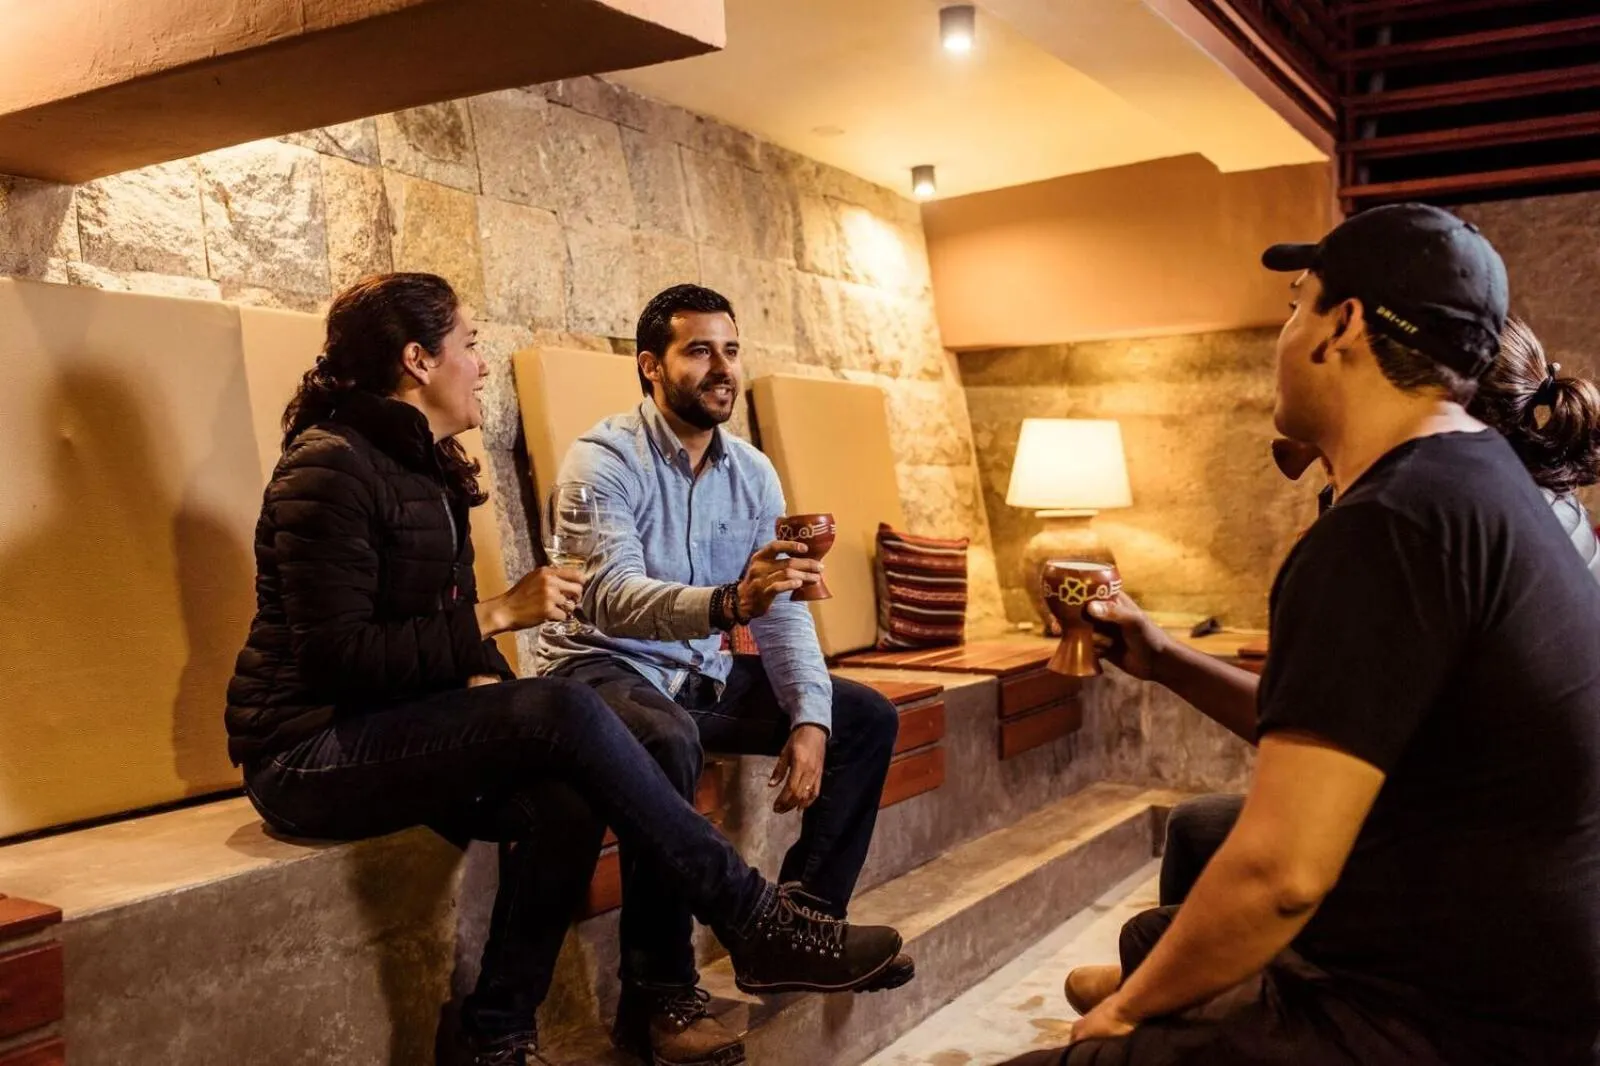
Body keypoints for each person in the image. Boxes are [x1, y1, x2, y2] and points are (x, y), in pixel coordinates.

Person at [223, 273, 906, 1066]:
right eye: (470, 345)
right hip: (307, 752)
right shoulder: (329, 465)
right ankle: (751, 925)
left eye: (732, 351)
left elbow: (424, 626)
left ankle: (495, 1035)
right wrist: (496, 618)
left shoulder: (424, 465)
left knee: (566, 794)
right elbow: (334, 657)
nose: (482, 364)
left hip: (391, 725)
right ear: (417, 359)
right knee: (569, 711)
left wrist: (483, 679)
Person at [1019, 203, 1600, 1066]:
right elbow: (1342, 733)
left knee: (1098, 1033)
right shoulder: (1477, 481)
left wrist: (1121, 1018)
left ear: (1345, 326)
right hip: (1510, 981)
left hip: (1445, 1020)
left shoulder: (1389, 525)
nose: (1283, 335)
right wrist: (1169, 657)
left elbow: (1281, 878)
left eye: (1297, 304)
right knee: (1160, 940)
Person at [537, 284, 911, 1066]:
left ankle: (794, 931)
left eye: (731, 350)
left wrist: (810, 718)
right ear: (651, 366)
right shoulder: (600, 460)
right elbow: (607, 597)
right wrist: (727, 602)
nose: (723, 369)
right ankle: (661, 997)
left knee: (864, 718)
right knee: (665, 740)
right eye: (699, 350)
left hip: (698, 671)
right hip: (601, 669)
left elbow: (776, 610)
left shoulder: (754, 473)